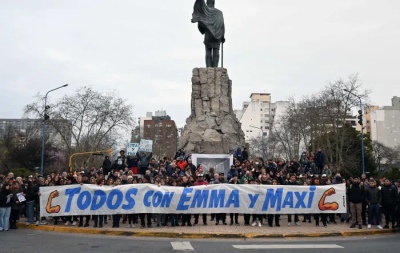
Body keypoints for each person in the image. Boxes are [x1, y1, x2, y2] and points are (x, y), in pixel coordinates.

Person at [191, 0, 225, 67]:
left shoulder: (205, 12)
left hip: (208, 35)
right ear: (213, 3)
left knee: (208, 50)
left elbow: (201, 25)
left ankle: (209, 68)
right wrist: (222, 36)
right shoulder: (219, 13)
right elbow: (222, 25)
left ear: (207, 3)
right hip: (217, 35)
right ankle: (215, 67)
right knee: (216, 50)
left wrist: (200, 23)